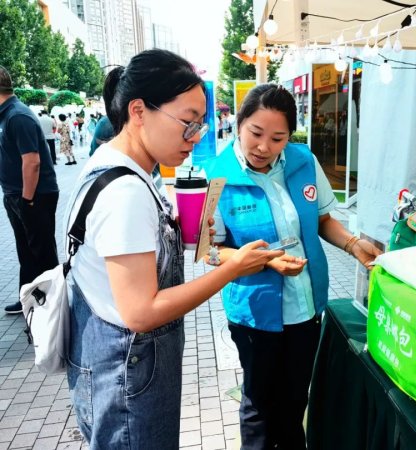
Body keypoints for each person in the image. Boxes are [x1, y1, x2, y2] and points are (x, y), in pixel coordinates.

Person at [63, 49, 282, 449]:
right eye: (187, 122)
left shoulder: (117, 165)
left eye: (200, 124)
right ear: (139, 111)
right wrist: (232, 268)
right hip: (127, 376)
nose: (195, 137)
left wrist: (175, 231)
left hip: (113, 368)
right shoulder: (126, 191)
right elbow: (141, 312)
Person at [203, 84, 382, 450]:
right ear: (239, 123)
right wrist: (265, 260)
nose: (263, 147)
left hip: (305, 308)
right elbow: (210, 252)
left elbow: (322, 220)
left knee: (295, 397)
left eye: (277, 138)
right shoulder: (216, 176)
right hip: (254, 314)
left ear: (289, 137)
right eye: (255, 133)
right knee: (258, 404)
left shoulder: (303, 162)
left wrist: (353, 245)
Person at [0, 66, 59, 315]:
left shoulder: (17, 116)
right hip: (17, 194)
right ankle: (28, 298)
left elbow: (32, 161)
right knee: (26, 250)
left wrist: (27, 199)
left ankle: (55, 305)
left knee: (42, 252)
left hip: (34, 195)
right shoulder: (6, 116)